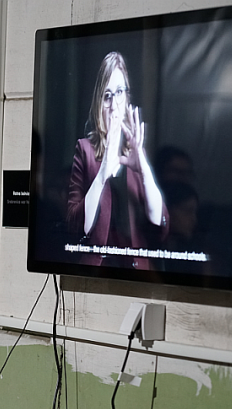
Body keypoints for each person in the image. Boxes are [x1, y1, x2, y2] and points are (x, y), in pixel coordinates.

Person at [66, 51, 169, 268]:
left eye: (119, 92)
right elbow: (76, 226)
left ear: (127, 98)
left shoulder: (136, 152)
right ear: (98, 104)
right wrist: (102, 174)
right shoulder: (84, 150)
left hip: (137, 273)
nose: (113, 105)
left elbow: (160, 224)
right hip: (95, 273)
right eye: (107, 96)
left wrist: (144, 170)